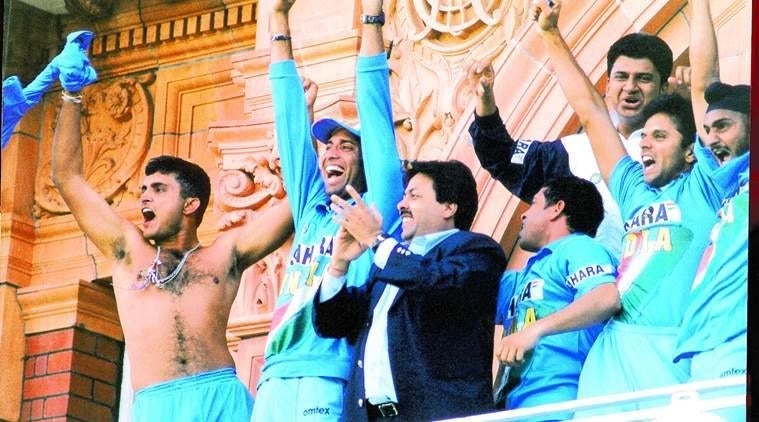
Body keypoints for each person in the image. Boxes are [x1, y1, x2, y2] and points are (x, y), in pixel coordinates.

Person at [50, 40, 294, 421]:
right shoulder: (128, 250)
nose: (144, 197)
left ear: (190, 204)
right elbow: (67, 178)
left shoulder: (224, 254)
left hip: (221, 398)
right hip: (155, 405)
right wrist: (71, 95)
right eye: (143, 190)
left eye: (158, 190)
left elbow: (299, 202)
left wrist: (302, 113)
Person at [530, 0, 746, 414]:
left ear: (690, 152)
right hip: (614, 350)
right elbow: (591, 112)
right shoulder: (633, 191)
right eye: (644, 135)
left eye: (660, 136)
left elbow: (704, 86)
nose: (644, 142)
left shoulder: (706, 185)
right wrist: (551, 36)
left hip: (673, 350)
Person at [253, 0, 405, 419]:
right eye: (327, 146)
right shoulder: (311, 213)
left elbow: (375, 111)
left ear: (365, 160)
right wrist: (279, 20)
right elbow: (289, 125)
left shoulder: (379, 211)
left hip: (332, 371)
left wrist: (371, 17)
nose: (330, 153)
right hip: (275, 373)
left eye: (346, 146)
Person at [314, 160, 507, 421]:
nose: (401, 204)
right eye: (404, 195)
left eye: (414, 196)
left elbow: (434, 281)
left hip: (436, 414)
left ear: (449, 207)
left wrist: (377, 240)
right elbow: (333, 324)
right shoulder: (392, 264)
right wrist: (338, 264)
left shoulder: (478, 250)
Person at [467, 31, 673, 258]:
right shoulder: (572, 150)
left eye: (644, 78)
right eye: (622, 77)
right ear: (607, 84)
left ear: (664, 88)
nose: (630, 87)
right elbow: (502, 157)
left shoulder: (679, 150)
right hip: (583, 285)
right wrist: (484, 101)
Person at [672, 1, 750, 420]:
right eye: (707, 128)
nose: (711, 136)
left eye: (724, 126)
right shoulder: (726, 182)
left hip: (736, 352)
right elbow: (704, 83)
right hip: (697, 353)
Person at [494, 176, 620, 420]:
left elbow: (605, 297)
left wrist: (533, 331)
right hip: (514, 410)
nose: (523, 215)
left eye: (533, 203)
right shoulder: (523, 276)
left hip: (559, 408)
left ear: (556, 208)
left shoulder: (579, 247)